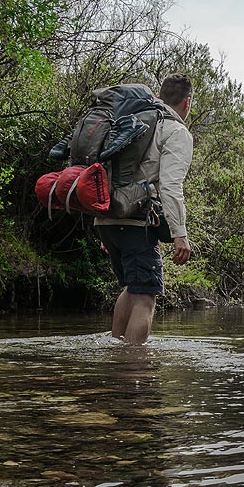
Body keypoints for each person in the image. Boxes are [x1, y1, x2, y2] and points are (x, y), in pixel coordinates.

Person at [95, 73, 195, 344]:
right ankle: (133, 367)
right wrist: (180, 234)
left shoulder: (133, 119)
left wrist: (107, 221)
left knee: (132, 288)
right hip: (136, 221)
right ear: (187, 102)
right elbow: (171, 186)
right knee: (145, 297)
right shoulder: (175, 131)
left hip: (106, 218)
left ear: (159, 96)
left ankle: (116, 356)